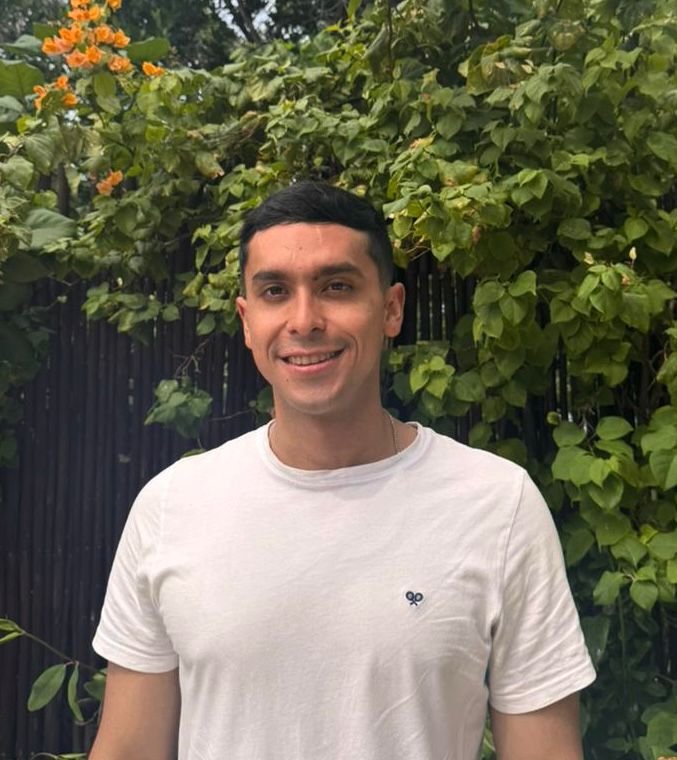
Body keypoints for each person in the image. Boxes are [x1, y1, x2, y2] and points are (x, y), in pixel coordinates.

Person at [90, 181, 596, 760]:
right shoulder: (171, 507)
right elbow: (128, 750)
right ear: (247, 320)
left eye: (337, 287)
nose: (304, 320)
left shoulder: (497, 505)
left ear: (391, 309)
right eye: (276, 291)